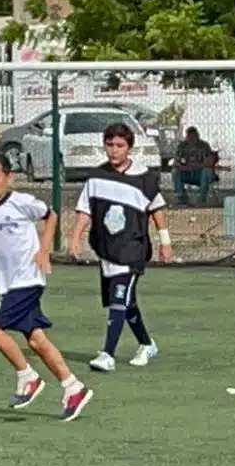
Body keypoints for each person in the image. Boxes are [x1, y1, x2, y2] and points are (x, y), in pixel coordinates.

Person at [0, 152, 93, 421]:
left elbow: (50, 215)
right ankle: (73, 386)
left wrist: (44, 250)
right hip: (8, 283)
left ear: (8, 178)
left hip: (28, 278)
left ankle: (28, 377)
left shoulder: (22, 202)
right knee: (36, 339)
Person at [67, 122, 171, 373]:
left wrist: (165, 243)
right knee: (126, 302)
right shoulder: (96, 177)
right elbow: (84, 211)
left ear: (130, 148)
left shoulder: (145, 178)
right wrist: (75, 238)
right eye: (109, 145)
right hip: (107, 250)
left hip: (132, 251)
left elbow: (157, 211)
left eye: (119, 146)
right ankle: (146, 344)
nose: (114, 150)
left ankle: (107, 354)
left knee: (118, 300)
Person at [172, 127, 218, 206]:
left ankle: (202, 199)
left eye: (194, 136)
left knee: (206, 171)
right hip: (187, 173)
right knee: (175, 172)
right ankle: (182, 199)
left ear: (198, 136)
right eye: (189, 136)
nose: (191, 139)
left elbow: (209, 162)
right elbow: (176, 161)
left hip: (201, 174)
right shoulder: (182, 146)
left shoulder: (204, 146)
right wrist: (181, 166)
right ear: (186, 137)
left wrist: (196, 166)